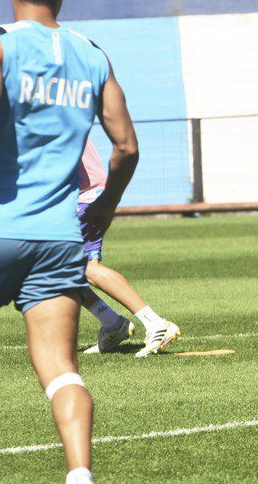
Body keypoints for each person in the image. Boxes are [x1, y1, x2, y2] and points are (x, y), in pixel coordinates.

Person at [0, 0, 139, 483]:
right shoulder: (92, 53)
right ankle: (80, 475)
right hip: (57, 238)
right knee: (61, 372)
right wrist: (103, 208)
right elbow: (126, 147)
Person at [77, 137, 180, 356]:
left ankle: (155, 323)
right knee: (54, 271)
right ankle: (113, 324)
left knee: (86, 269)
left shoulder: (48, 110)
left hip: (81, 199)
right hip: (71, 199)